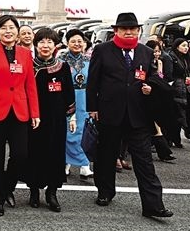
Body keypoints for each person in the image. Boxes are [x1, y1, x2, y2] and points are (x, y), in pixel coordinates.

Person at [86, 12, 172, 219]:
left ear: (138, 31)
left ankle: (153, 205)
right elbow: (93, 81)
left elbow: (152, 77)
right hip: (109, 112)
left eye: (133, 29)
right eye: (124, 29)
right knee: (106, 156)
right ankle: (105, 192)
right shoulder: (102, 50)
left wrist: (151, 87)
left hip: (138, 114)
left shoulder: (146, 52)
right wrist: (92, 108)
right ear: (116, 31)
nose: (129, 32)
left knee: (144, 161)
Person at [0, 15, 40, 216]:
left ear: (17, 31)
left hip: (20, 110)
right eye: (3, 28)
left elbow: (30, 84)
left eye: (12, 27)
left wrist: (35, 112)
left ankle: (7, 187)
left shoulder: (25, 54)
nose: (8, 31)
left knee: (21, 154)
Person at [28, 28, 75, 212]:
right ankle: (33, 191)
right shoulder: (30, 66)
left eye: (49, 42)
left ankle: (52, 192)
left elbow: (69, 93)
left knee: (55, 154)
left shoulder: (63, 67)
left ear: (56, 45)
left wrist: (71, 117)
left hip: (56, 119)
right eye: (41, 41)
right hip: (34, 118)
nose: (45, 45)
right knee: (34, 153)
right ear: (35, 44)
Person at [60, 29, 94, 179]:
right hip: (67, 98)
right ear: (67, 43)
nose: (77, 44)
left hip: (84, 98)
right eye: (73, 41)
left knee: (84, 131)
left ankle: (84, 165)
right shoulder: (60, 60)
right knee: (68, 131)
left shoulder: (89, 60)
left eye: (80, 41)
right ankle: (66, 162)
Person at [170, 38, 190, 145]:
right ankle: (174, 138)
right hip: (176, 89)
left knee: (187, 113)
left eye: (187, 46)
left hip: (187, 88)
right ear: (177, 46)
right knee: (176, 115)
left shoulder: (187, 58)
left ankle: (181, 135)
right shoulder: (172, 57)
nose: (186, 48)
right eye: (183, 46)